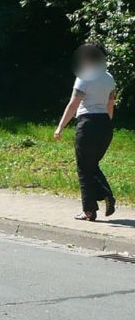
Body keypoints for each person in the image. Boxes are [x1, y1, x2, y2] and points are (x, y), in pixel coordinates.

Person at [54, 44, 116, 221]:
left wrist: (60, 127)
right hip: (104, 124)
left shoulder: (84, 77)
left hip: (87, 124)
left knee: (84, 168)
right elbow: (110, 104)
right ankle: (102, 197)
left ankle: (90, 209)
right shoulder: (109, 78)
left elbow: (73, 104)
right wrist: (107, 124)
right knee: (91, 165)